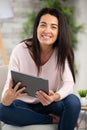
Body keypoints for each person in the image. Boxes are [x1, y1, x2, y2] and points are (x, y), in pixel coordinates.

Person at [0, 7, 81, 130]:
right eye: (43, 25)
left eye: (53, 27)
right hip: (23, 105)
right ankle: (52, 119)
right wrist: (7, 98)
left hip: (49, 103)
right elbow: (9, 84)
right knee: (2, 110)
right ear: (37, 28)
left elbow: (69, 83)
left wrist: (54, 97)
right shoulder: (20, 50)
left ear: (60, 31)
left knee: (74, 102)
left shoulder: (61, 52)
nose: (47, 30)